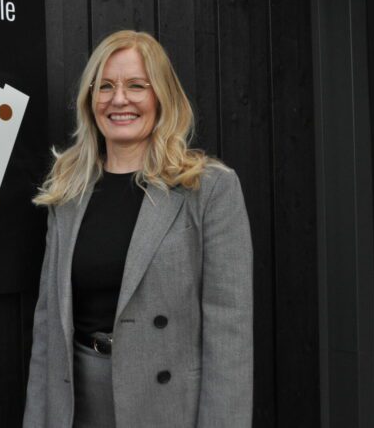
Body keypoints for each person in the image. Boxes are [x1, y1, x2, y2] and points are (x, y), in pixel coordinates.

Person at [23, 30, 253, 427]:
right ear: (90, 100)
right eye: (105, 86)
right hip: (77, 404)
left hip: (169, 407)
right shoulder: (67, 190)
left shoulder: (208, 188)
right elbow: (48, 327)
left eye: (136, 86)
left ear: (161, 96)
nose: (119, 99)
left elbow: (229, 332)